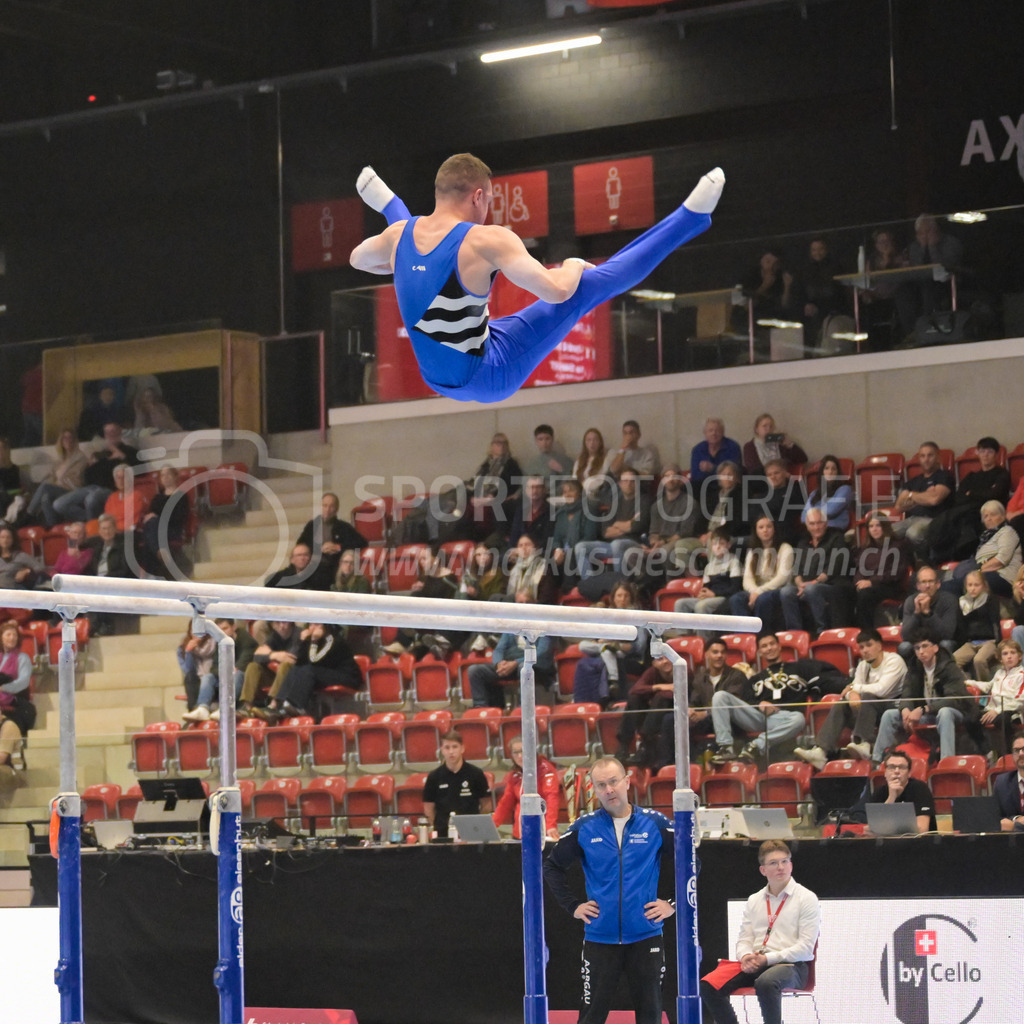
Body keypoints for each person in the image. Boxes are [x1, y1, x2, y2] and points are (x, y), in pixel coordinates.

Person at [350, 155, 723, 404]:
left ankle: (387, 202)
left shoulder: (397, 236)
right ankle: (690, 219)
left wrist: (400, 266)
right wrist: (574, 264)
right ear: (478, 196)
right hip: (487, 374)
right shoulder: (486, 239)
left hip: (438, 372)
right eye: (491, 200)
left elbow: (357, 259)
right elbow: (558, 291)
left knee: (402, 236)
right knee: (584, 291)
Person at [543, 756, 676, 1024]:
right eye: (601, 784)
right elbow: (552, 867)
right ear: (594, 788)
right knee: (591, 1016)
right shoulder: (584, 827)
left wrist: (672, 903)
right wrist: (573, 906)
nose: (609, 790)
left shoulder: (656, 824)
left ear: (627, 781)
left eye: (613, 782)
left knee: (650, 1014)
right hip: (599, 938)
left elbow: (692, 863)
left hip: (646, 936)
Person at [700, 840, 819, 1024]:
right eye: (773, 863)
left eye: (785, 861)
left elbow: (805, 948)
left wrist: (768, 959)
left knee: (766, 982)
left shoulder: (806, 898)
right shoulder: (755, 900)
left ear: (791, 865)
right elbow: (744, 939)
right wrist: (746, 956)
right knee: (708, 985)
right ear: (763, 870)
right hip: (758, 963)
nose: (780, 867)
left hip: (791, 966)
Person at [794, 628, 908, 768]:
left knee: (867, 696)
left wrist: (854, 689)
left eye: (869, 645)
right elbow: (848, 691)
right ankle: (821, 751)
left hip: (892, 708)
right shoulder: (863, 666)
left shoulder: (894, 661)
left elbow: (882, 690)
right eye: (861, 647)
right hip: (868, 710)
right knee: (843, 703)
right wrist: (852, 693)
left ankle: (863, 743)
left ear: (879, 645)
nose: (865, 650)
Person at [872, 628, 974, 765]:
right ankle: (878, 763)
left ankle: (946, 762)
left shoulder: (949, 667)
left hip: (957, 712)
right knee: (889, 715)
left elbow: (954, 699)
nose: (921, 651)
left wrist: (923, 709)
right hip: (929, 714)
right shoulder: (914, 667)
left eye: (925, 646)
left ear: (936, 648)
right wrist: (905, 709)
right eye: (917, 648)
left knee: (945, 712)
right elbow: (907, 694)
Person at [709, 633, 809, 765]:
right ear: (760, 652)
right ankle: (726, 748)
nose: (769, 648)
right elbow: (746, 700)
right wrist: (759, 703)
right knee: (720, 696)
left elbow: (823, 680)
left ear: (779, 647)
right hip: (758, 716)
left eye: (772, 644)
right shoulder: (755, 679)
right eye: (764, 646)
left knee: (799, 719)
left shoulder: (799, 668)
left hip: (784, 717)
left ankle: (756, 746)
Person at [651, 637, 749, 769]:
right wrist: (691, 711)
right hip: (706, 721)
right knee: (671, 719)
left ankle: (692, 765)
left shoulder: (736, 676)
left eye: (722, 652)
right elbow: (694, 702)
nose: (719, 656)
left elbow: (731, 706)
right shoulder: (700, 677)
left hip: (729, 721)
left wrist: (706, 713)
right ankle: (669, 766)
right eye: (715, 652)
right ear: (706, 654)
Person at [927, 437, 1011, 562]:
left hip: (988, 511)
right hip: (968, 511)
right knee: (956, 518)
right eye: (982, 451)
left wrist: (971, 493)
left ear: (996, 455)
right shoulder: (971, 476)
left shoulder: (1002, 474)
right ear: (978, 453)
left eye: (990, 452)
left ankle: (962, 555)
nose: (985, 455)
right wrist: (982, 493)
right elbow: (959, 497)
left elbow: (994, 495)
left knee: (968, 519)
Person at [261, 622, 364, 722]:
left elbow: (316, 661)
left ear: (325, 627)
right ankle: (277, 705)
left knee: (308, 670)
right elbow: (299, 662)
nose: (313, 628)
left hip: (345, 676)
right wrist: (302, 642)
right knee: (295, 670)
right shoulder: (311, 642)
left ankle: (298, 706)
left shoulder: (335, 640)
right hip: (323, 674)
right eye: (311, 625)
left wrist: (313, 641)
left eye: (317, 625)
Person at [467, 597, 556, 708]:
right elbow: (499, 649)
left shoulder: (543, 625)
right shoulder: (513, 626)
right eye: (520, 602)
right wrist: (499, 663)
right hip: (511, 666)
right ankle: (482, 709)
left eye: (527, 602)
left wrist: (516, 662)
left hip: (536, 666)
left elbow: (542, 652)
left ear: (534, 604)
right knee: (475, 670)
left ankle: (523, 707)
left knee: (524, 667)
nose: (524, 605)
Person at [779, 507, 853, 637]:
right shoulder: (803, 542)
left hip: (833, 585)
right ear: (807, 525)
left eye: (819, 523)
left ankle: (822, 631)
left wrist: (814, 582)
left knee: (812, 590)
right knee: (786, 592)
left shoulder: (836, 538)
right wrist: (800, 584)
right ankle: (795, 633)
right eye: (812, 524)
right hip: (807, 586)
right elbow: (797, 569)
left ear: (826, 523)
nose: (816, 527)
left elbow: (833, 567)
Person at [52, 422, 140, 523]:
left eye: (113, 431)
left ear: (120, 432)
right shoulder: (100, 454)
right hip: (91, 487)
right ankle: (94, 523)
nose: (110, 435)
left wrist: (123, 456)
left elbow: (142, 470)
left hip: (111, 489)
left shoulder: (129, 451)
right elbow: (86, 478)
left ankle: (92, 530)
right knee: (59, 504)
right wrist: (90, 467)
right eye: (107, 432)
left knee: (91, 499)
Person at [574, 468, 651, 581]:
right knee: (580, 547)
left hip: (635, 544)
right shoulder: (614, 503)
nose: (629, 484)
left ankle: (618, 584)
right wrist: (627, 524)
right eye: (625, 481)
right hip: (611, 546)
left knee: (617, 544)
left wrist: (616, 525)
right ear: (619, 484)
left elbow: (636, 526)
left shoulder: (645, 501)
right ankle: (589, 583)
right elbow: (606, 532)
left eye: (632, 481)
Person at [943, 500, 1021, 600]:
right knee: (948, 584)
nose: (989, 519)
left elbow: (1001, 560)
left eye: (993, 514)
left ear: (1003, 515)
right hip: (986, 574)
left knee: (950, 587)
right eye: (985, 516)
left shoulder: (1007, 532)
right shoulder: (986, 538)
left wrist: (977, 572)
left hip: (1003, 577)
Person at [727, 517, 794, 631]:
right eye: (761, 527)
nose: (765, 530)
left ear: (774, 529)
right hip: (757, 590)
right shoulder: (752, 551)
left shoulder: (785, 548)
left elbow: (782, 578)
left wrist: (759, 592)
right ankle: (745, 637)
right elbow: (747, 578)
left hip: (777, 589)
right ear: (756, 531)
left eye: (769, 526)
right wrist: (754, 591)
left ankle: (762, 635)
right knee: (736, 599)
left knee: (763, 599)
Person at [422, 730, 492, 839]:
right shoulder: (434, 776)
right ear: (441, 750)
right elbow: (428, 808)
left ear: (462, 748)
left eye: (455, 747)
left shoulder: (476, 774)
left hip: (471, 832)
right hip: (443, 833)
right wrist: (437, 826)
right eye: (447, 747)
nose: (451, 752)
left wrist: (476, 824)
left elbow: (486, 804)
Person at [890, 441, 954, 558]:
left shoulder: (944, 476)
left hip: (934, 520)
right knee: (885, 533)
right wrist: (925, 495)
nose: (926, 459)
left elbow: (934, 500)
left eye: (930, 455)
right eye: (922, 456)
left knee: (913, 533)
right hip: (912, 519)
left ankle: (922, 564)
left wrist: (911, 496)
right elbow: (899, 507)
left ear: (938, 458)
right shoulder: (913, 481)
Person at [851, 748, 936, 833]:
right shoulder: (879, 792)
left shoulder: (920, 789)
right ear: (885, 772)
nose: (896, 771)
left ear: (909, 773)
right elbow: (871, 830)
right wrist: (891, 797)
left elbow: (922, 829)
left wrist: (884, 829)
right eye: (891, 767)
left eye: (902, 767)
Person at [491, 736, 560, 840]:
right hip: (519, 833)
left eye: (523, 751)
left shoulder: (546, 770)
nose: (520, 756)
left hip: (540, 833)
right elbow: (505, 802)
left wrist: (551, 825)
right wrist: (492, 824)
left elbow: (551, 798)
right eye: (515, 752)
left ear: (532, 750)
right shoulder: (515, 775)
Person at [853, 512, 910, 630]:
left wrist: (872, 582)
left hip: (890, 586)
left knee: (865, 594)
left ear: (885, 527)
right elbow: (859, 570)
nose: (874, 529)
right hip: (869, 586)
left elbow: (896, 573)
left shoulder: (897, 546)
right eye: (871, 526)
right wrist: (858, 582)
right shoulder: (865, 549)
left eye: (878, 525)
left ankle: (868, 633)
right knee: (845, 592)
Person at [297, 492, 367, 587]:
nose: (327, 509)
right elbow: (300, 545)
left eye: (331, 506)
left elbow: (362, 542)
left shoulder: (343, 527)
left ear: (336, 509)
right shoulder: (312, 526)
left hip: (333, 566)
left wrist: (338, 547)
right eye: (325, 506)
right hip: (313, 565)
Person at [82, 513, 135, 636]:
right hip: (98, 582)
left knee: (101, 589)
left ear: (115, 529)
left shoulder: (124, 546)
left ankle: (102, 625)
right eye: (103, 529)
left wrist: (106, 579)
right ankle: (94, 625)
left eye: (109, 528)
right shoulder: (97, 546)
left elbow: (125, 570)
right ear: (99, 531)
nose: (107, 532)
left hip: (116, 581)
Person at [237, 619, 304, 716]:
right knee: (253, 666)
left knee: (285, 665)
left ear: (290, 622)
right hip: (278, 676)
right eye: (277, 623)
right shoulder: (275, 636)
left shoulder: (299, 633)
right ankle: (247, 706)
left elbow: (292, 658)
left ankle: (274, 704)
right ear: (273, 625)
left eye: (284, 622)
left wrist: (270, 654)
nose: (281, 626)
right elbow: (256, 656)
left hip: (296, 675)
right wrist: (274, 655)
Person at [673, 529, 742, 620]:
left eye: (721, 544)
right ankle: (684, 634)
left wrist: (714, 594)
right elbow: (706, 587)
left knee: (701, 606)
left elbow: (735, 588)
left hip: (724, 597)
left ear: (728, 545)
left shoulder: (733, 562)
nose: (717, 547)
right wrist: (703, 594)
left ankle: (703, 634)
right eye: (714, 544)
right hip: (711, 596)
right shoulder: (709, 566)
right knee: (680, 604)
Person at [26, 428, 87, 529]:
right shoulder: (61, 460)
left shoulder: (80, 458)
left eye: (70, 438)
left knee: (46, 487)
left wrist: (55, 483)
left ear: (75, 440)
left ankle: (29, 514)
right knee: (45, 497)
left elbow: (75, 479)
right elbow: (53, 477)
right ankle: (54, 528)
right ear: (61, 441)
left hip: (72, 491)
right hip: (58, 490)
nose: (68, 440)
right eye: (65, 438)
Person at [973, 642, 1024, 758]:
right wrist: (970, 683)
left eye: (1013, 653)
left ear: (1019, 656)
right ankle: (987, 753)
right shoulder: (999, 673)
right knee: (970, 717)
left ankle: (1008, 755)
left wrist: (997, 710)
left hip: (1012, 711)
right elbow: (988, 686)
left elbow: (1020, 701)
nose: (1009, 656)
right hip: (992, 710)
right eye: (1005, 654)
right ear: (1000, 658)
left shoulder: (1022, 675)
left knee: (1003, 719)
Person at [136, 465, 188, 578]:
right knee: (150, 528)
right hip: (156, 531)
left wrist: (158, 517)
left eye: (168, 474)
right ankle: (159, 551)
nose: (165, 477)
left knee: (150, 532)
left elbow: (178, 518)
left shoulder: (181, 496)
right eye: (163, 475)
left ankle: (150, 575)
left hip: (172, 529)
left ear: (175, 477)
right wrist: (153, 518)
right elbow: (150, 515)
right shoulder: (157, 497)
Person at [898, 565, 957, 662]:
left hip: (939, 641)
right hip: (919, 642)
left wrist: (928, 613)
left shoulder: (949, 600)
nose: (927, 586)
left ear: (938, 584)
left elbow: (948, 634)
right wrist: (917, 613)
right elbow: (905, 635)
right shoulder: (910, 601)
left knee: (946, 644)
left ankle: (942, 675)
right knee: (904, 647)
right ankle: (912, 675)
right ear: (918, 586)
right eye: (924, 582)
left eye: (930, 581)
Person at [951, 570, 1001, 681]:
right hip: (970, 643)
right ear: (965, 586)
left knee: (979, 660)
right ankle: (968, 686)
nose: (973, 588)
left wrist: (998, 642)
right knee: (952, 661)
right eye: (970, 585)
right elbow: (961, 626)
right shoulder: (962, 602)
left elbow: (995, 622)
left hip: (989, 641)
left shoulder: (990, 600)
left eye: (976, 585)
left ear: (983, 585)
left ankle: (984, 690)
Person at [741, 413, 807, 477]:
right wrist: (773, 474)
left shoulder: (780, 445)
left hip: (782, 480)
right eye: (764, 426)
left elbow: (803, 459)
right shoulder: (749, 447)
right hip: (762, 481)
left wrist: (789, 445)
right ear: (757, 429)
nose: (768, 429)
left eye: (771, 426)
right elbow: (753, 469)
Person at [801, 454, 853, 530]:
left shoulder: (845, 489)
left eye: (834, 469)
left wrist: (812, 513)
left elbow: (831, 510)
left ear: (838, 472)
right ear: (822, 472)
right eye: (826, 468)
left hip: (833, 530)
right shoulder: (814, 493)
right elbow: (803, 517)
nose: (830, 472)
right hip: (814, 531)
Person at [521, 423, 573, 498]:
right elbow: (525, 485)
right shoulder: (530, 464)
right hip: (535, 498)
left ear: (552, 439)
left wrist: (561, 470)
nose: (544, 443)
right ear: (536, 441)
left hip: (557, 497)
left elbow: (571, 482)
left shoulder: (565, 460)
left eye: (547, 439)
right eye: (540, 439)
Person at [179, 625, 218, 722]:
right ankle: (195, 710)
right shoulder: (182, 648)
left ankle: (204, 708)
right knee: (189, 677)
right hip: (198, 681)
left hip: (215, 679)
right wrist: (188, 652)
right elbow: (188, 669)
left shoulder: (216, 643)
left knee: (208, 678)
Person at [690, 417, 742, 485]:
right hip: (704, 485)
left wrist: (712, 468)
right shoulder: (697, 450)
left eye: (717, 431)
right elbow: (695, 476)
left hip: (726, 485)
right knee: (688, 487)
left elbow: (733, 475)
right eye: (710, 430)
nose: (714, 433)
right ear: (705, 433)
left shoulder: (732, 447)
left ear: (723, 432)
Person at [992, 731, 1024, 831]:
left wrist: (1014, 826)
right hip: (1009, 843)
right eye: (1016, 750)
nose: (1021, 754)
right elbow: (995, 818)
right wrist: (1016, 819)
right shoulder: (1002, 782)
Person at [573, 427, 610, 504]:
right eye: (589, 440)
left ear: (600, 442)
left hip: (595, 495)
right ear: (585, 443)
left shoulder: (605, 459)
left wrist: (585, 484)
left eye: (595, 440)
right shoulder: (580, 460)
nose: (592, 443)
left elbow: (602, 479)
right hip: (579, 495)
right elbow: (574, 478)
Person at [0, 524, 42, 590]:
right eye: (2, 537)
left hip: (13, 590)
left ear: (13, 539)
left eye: (8, 537)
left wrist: (27, 571)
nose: (5, 540)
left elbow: (40, 567)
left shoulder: (21, 556)